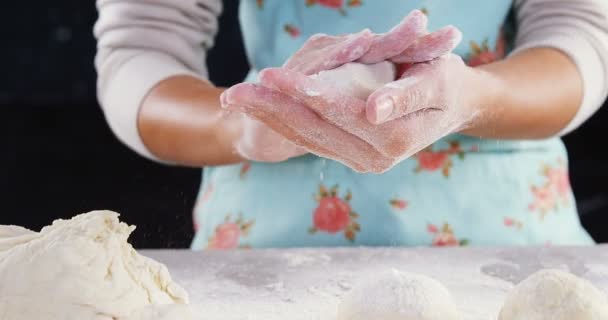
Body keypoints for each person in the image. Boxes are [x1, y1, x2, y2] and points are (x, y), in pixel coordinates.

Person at [94, 0, 608, 249]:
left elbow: (582, 32)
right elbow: (142, 46)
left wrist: (473, 98)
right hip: (268, 241)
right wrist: (246, 124)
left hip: (506, 230)